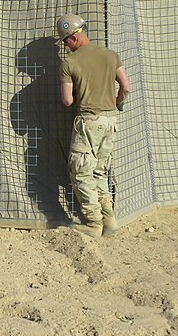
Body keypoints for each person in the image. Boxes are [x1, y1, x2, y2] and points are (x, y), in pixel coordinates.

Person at [56, 14, 131, 238]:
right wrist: (114, 104)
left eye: (65, 43)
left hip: (89, 121)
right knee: (100, 170)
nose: (66, 47)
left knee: (80, 171)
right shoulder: (111, 55)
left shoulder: (69, 63)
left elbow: (67, 100)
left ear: (71, 38)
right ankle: (110, 219)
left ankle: (93, 222)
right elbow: (126, 88)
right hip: (111, 120)